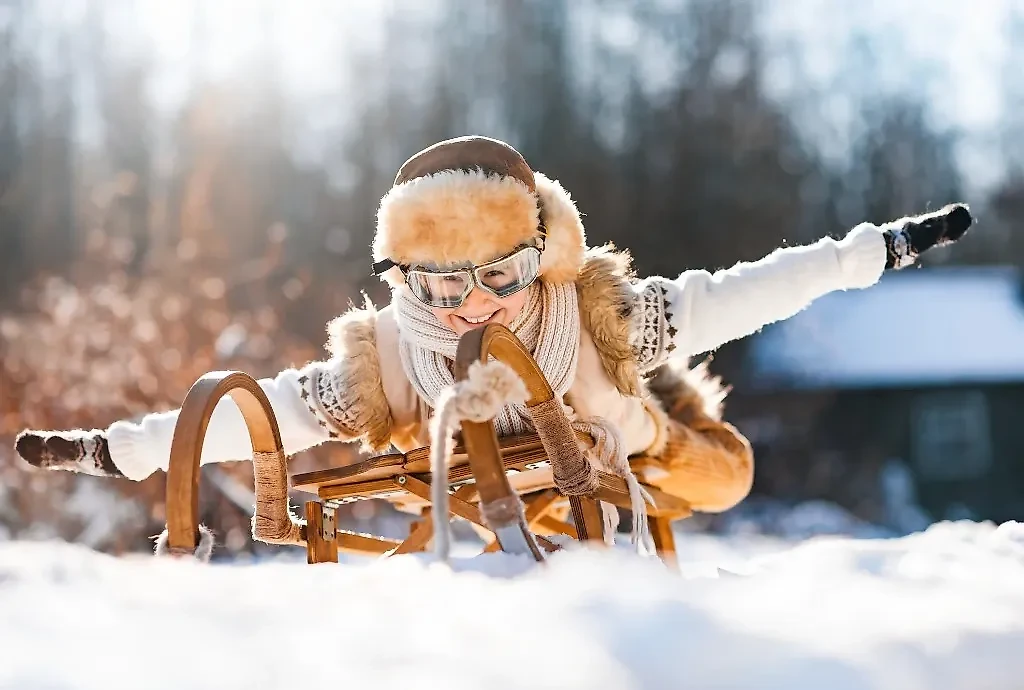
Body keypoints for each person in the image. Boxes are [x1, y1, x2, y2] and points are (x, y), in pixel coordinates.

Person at [14, 135, 973, 547]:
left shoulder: (595, 312)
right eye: (440, 284)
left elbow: (745, 293)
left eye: (499, 278)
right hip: (506, 485)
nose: (473, 306)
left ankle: (665, 446)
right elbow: (271, 414)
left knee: (728, 475)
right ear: (405, 278)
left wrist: (874, 251)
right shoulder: (388, 354)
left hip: (634, 438)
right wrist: (121, 448)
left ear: (537, 254)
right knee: (518, 497)